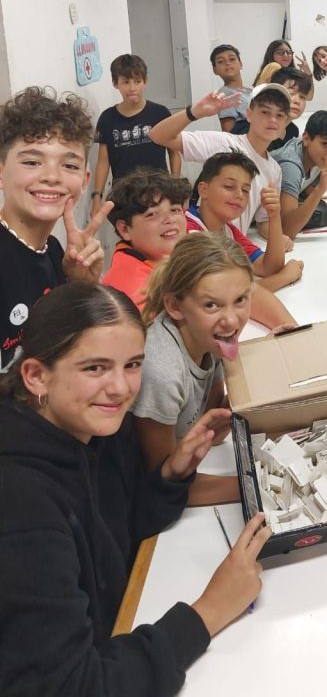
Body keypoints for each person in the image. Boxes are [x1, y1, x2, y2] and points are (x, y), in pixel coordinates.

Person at [0, 282, 270, 697]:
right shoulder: (21, 505)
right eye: (95, 368)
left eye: (132, 365)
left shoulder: (95, 430)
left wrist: (171, 477)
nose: (121, 388)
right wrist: (208, 612)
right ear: (37, 376)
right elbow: (74, 686)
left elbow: (116, 532)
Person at [133, 233, 295, 505]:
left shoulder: (210, 337)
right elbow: (165, 486)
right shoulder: (162, 371)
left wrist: (262, 364)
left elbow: (213, 432)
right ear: (174, 306)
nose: (232, 320)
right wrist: (267, 485)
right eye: (211, 305)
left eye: (241, 300)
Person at [0, 86, 110, 371]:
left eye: (69, 166)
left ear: (84, 180)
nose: (51, 177)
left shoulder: (55, 252)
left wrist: (82, 285)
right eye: (32, 162)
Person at [149, 84, 291, 234]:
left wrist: (280, 237)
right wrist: (195, 112)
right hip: (203, 240)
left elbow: (263, 222)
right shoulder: (224, 143)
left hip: (232, 243)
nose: (273, 120)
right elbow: (158, 136)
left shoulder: (274, 170)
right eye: (265, 112)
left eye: (280, 115)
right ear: (249, 114)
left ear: (285, 123)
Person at [185, 152, 303, 292]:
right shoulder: (187, 231)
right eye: (229, 186)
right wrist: (284, 277)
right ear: (204, 190)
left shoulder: (228, 230)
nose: (240, 195)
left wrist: (274, 215)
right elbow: (224, 295)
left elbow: (268, 267)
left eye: (246, 190)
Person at [91, 54, 181, 215]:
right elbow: (103, 161)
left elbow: (174, 153)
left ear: (145, 82)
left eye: (137, 81)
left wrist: (175, 188)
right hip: (124, 196)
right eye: (126, 82)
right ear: (115, 83)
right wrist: (97, 197)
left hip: (159, 193)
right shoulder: (107, 118)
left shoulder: (160, 113)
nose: (132, 88)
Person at [102, 168, 191, 311]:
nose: (169, 219)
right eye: (152, 214)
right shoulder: (134, 290)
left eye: (175, 210)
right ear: (124, 229)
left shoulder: (181, 260)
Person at [271, 110, 327, 237]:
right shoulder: (291, 167)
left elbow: (306, 201)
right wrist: (320, 189)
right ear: (306, 138)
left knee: (321, 210)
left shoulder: (315, 158)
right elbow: (287, 229)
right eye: (325, 144)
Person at [209, 44, 251, 133]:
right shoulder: (223, 95)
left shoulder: (253, 90)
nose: (227, 63)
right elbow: (229, 133)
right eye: (221, 61)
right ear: (214, 70)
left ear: (240, 64)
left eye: (232, 59)